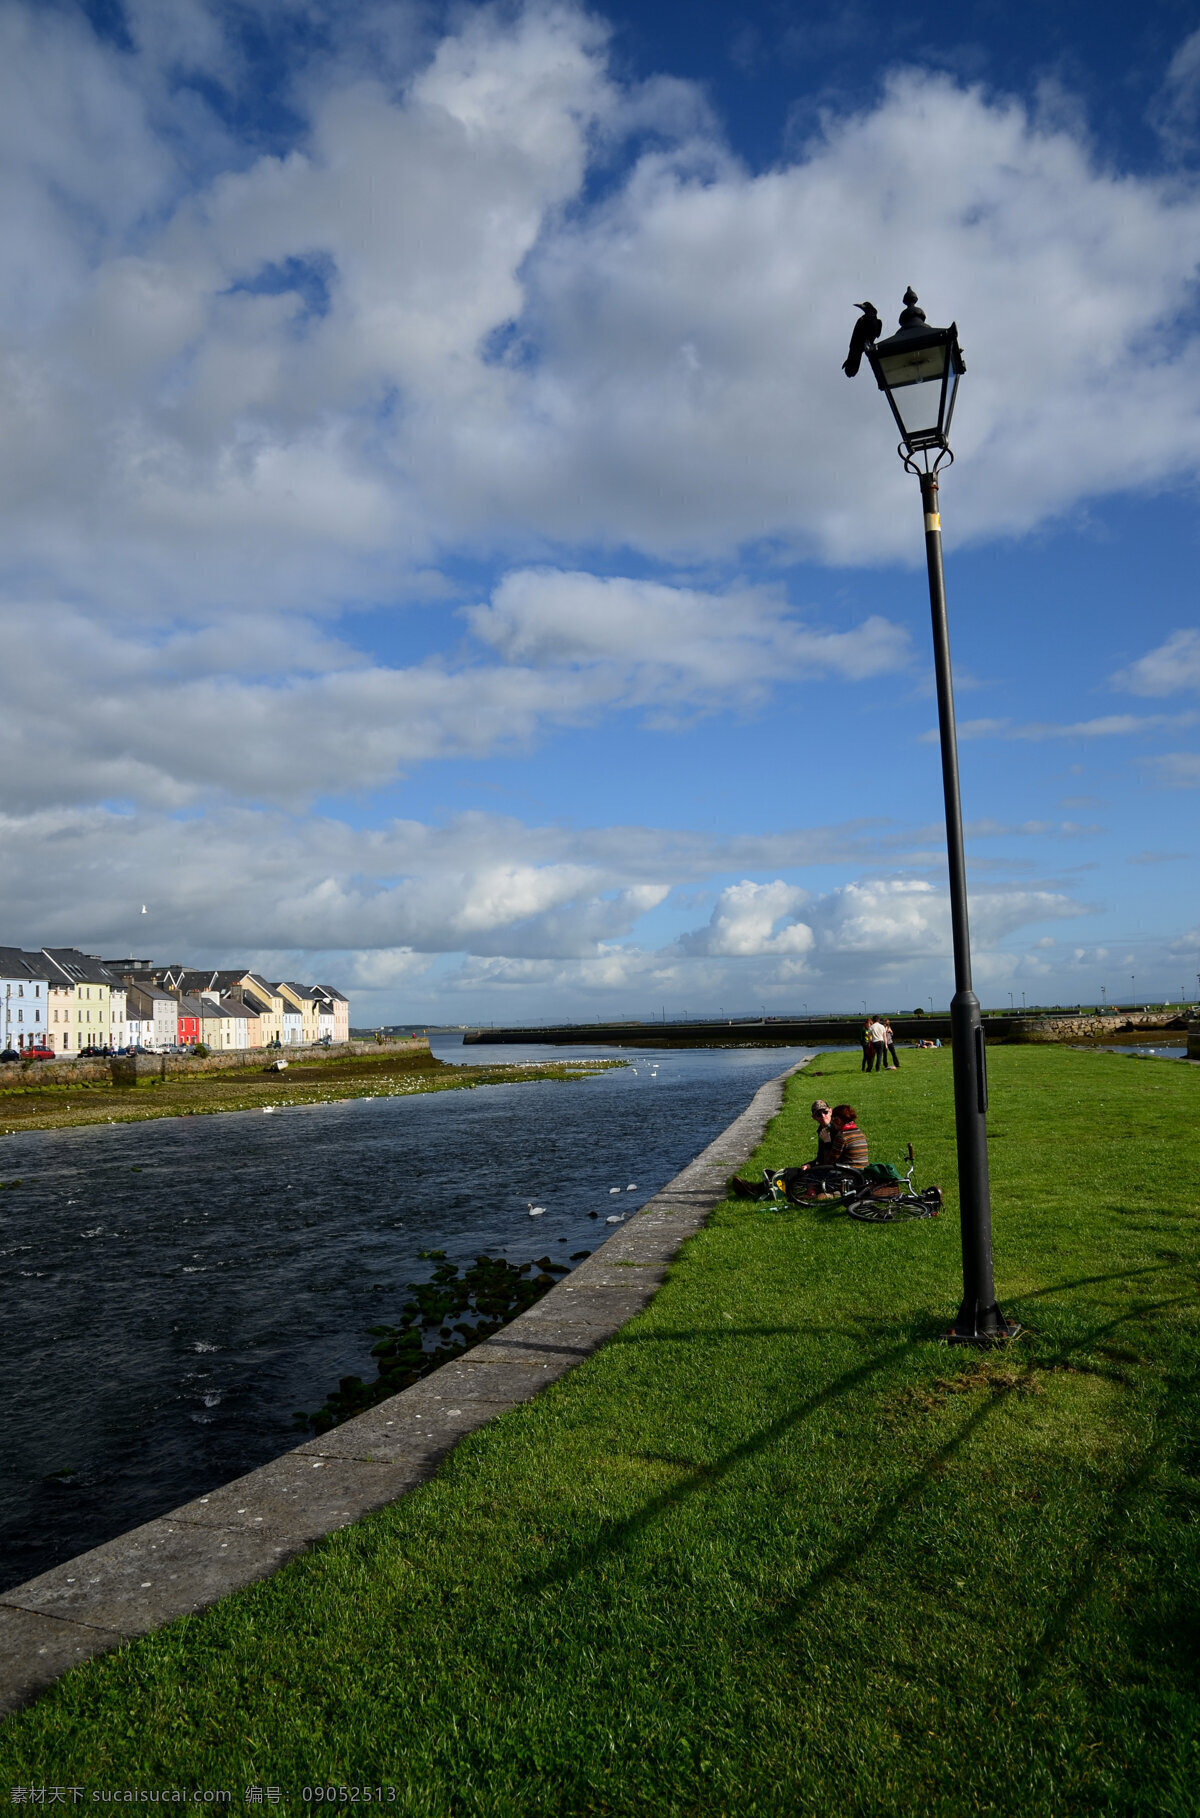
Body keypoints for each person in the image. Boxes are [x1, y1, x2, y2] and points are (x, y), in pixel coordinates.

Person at [829, 1104, 868, 1168]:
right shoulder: (860, 1133)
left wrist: (826, 1142)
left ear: (838, 1120)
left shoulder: (842, 1136)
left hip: (849, 1173)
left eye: (833, 1120)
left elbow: (831, 1161)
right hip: (862, 1172)